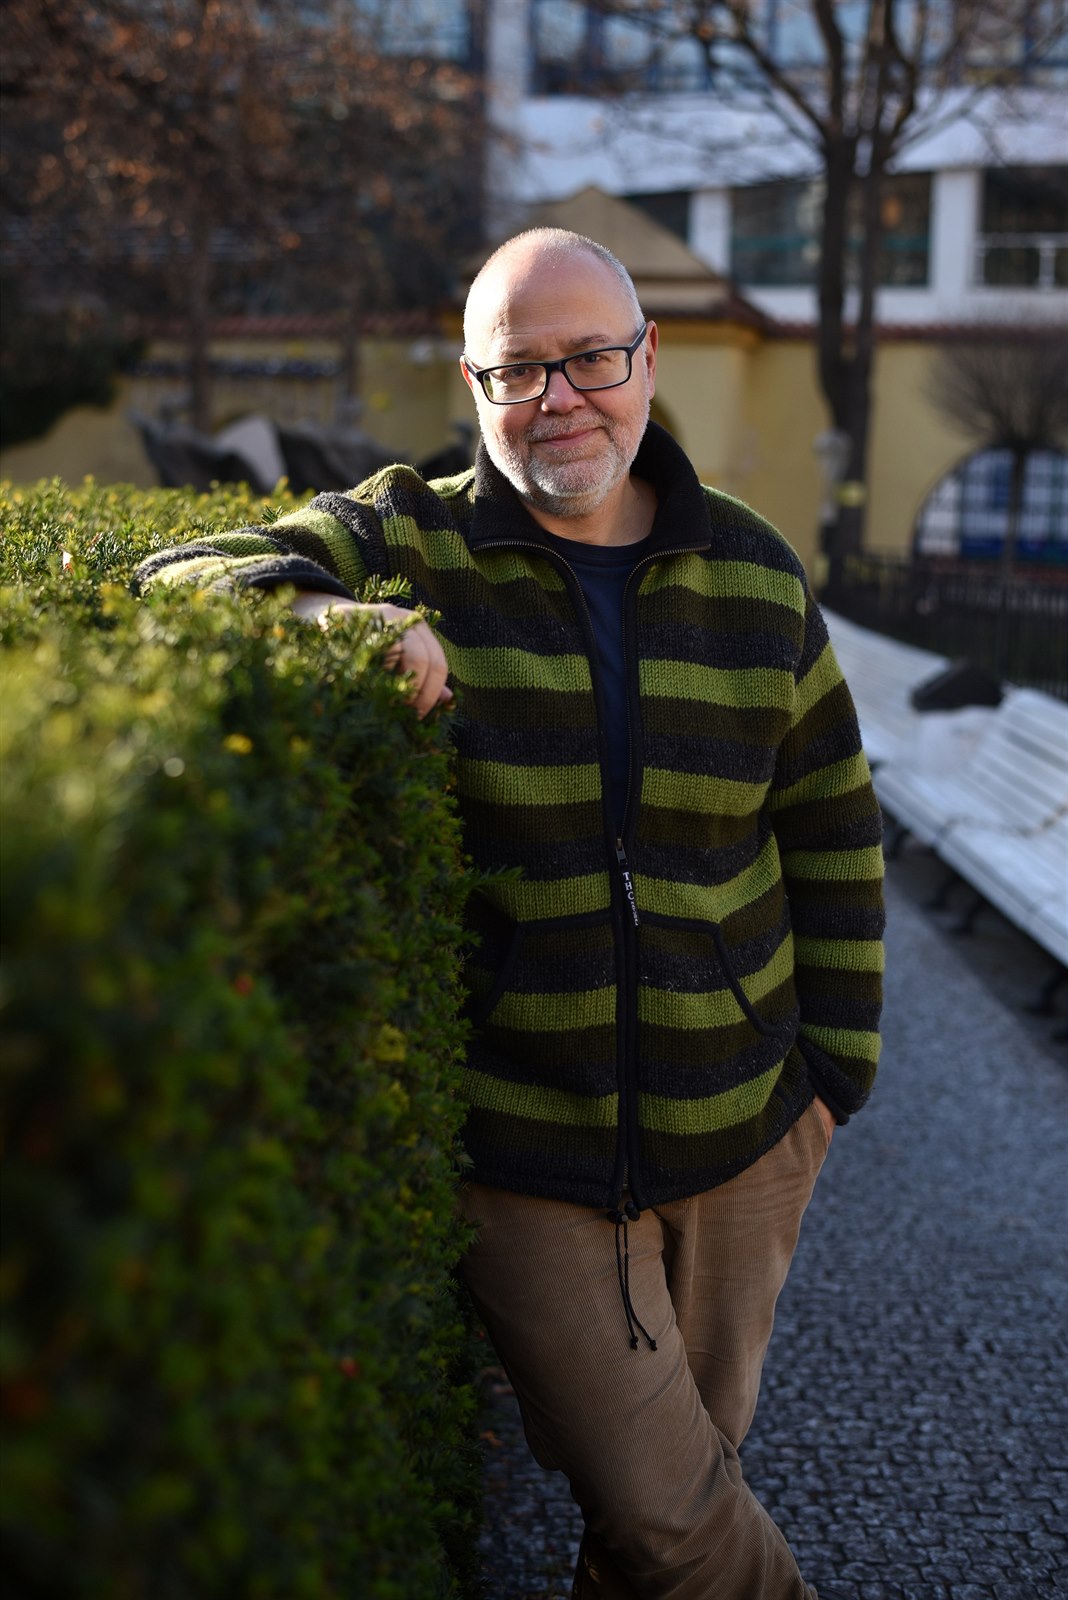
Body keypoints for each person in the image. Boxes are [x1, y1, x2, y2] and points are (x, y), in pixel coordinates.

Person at [134, 229, 885, 1599]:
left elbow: (832, 832)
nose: (558, 399)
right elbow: (168, 576)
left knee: (654, 1523)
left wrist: (831, 1083)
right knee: (673, 1522)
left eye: (591, 359)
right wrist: (327, 619)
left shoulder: (757, 572)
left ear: (646, 361)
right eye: (518, 370)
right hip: (528, 1152)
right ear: (473, 383)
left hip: (749, 1137)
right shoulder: (414, 536)